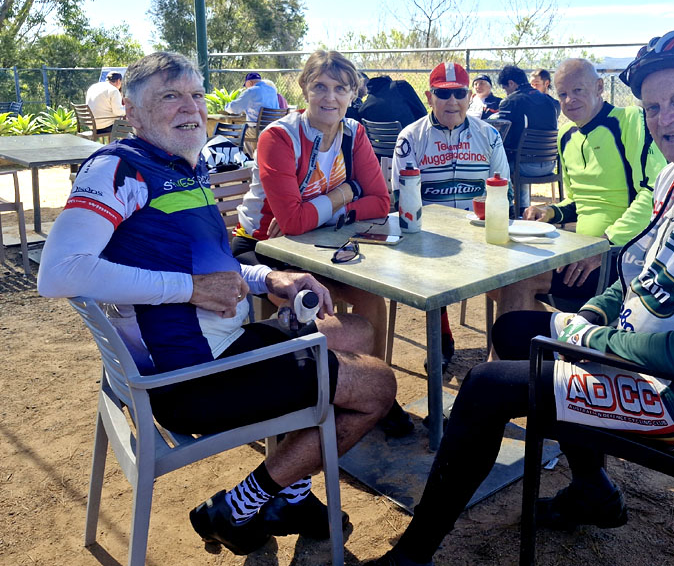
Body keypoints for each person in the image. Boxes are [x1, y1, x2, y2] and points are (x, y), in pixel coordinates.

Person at [364, 29, 674, 566]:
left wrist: (588, 338)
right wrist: (593, 313)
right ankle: (592, 488)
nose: (664, 119)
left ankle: (412, 556)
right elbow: (640, 275)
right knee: (512, 331)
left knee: (485, 387)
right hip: (648, 364)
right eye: (652, 107)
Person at [36, 52, 396, 557]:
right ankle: (239, 505)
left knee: (356, 332)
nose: (191, 108)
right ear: (131, 111)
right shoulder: (118, 168)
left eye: (196, 95)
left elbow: (216, 268)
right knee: (378, 385)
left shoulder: (182, 165)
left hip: (222, 345)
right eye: (170, 96)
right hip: (194, 378)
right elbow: (59, 271)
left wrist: (270, 278)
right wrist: (190, 289)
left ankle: (291, 496)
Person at [231, 51, 391, 359]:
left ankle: (376, 382)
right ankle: (326, 384)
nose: (330, 98)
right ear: (304, 89)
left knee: (371, 298)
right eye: (320, 87)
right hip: (263, 246)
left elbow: (381, 202)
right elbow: (292, 222)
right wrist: (350, 190)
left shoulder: (353, 133)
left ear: (353, 94)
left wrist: (315, 214)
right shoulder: (279, 136)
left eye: (340, 88)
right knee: (315, 311)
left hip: (318, 243)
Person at [489, 58, 665, 316]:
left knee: (517, 280)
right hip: (578, 250)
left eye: (578, 90)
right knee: (496, 272)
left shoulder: (629, 120)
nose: (570, 100)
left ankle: (555, 334)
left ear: (599, 87)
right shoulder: (566, 135)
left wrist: (604, 245)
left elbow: (655, 193)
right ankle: (566, 332)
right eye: (562, 94)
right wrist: (549, 212)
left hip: (619, 255)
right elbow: (576, 201)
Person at [391, 61, 510, 366]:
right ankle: (442, 339)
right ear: (429, 97)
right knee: (428, 259)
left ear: (470, 96)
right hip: (431, 237)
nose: (452, 101)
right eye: (443, 94)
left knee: (516, 279)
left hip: (480, 234)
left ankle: (505, 353)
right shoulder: (410, 137)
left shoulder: (489, 135)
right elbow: (401, 198)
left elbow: (505, 192)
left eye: (459, 93)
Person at [491, 64, 560, 211]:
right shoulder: (549, 101)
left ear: (511, 83)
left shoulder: (510, 102)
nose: (506, 92)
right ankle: (523, 208)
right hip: (550, 163)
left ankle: (506, 207)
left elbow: (505, 137)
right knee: (522, 154)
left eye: (505, 88)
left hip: (525, 167)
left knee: (496, 159)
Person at [359, 74, 428, 128]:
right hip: (409, 138)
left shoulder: (365, 107)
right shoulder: (400, 86)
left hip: (381, 142)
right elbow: (422, 112)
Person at [85, 71, 125, 135]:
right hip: (105, 126)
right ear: (118, 81)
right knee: (132, 125)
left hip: (92, 125)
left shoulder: (93, 87)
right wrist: (127, 110)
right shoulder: (114, 90)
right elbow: (118, 112)